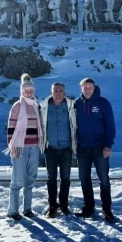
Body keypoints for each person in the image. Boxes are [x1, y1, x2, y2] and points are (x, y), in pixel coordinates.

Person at [74, 78, 116, 222]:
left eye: (90, 87)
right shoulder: (76, 103)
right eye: (85, 87)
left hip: (100, 148)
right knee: (84, 179)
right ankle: (89, 207)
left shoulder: (103, 103)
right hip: (82, 148)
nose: (87, 90)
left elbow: (110, 125)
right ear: (81, 88)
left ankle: (107, 209)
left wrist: (108, 145)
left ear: (94, 88)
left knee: (104, 179)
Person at [4, 73, 45, 220]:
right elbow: (11, 127)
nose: (29, 92)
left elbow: (40, 125)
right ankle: (13, 210)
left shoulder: (36, 106)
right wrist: (12, 145)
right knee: (17, 180)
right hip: (19, 147)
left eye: (31, 90)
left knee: (30, 179)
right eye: (26, 90)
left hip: (34, 147)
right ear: (22, 91)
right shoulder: (17, 106)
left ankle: (27, 209)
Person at [39, 82, 77, 218]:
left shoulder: (71, 106)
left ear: (65, 92)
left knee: (65, 178)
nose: (58, 93)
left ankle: (64, 203)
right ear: (51, 92)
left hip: (66, 148)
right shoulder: (43, 107)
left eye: (61, 90)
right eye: (55, 90)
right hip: (51, 148)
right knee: (52, 178)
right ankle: (52, 204)